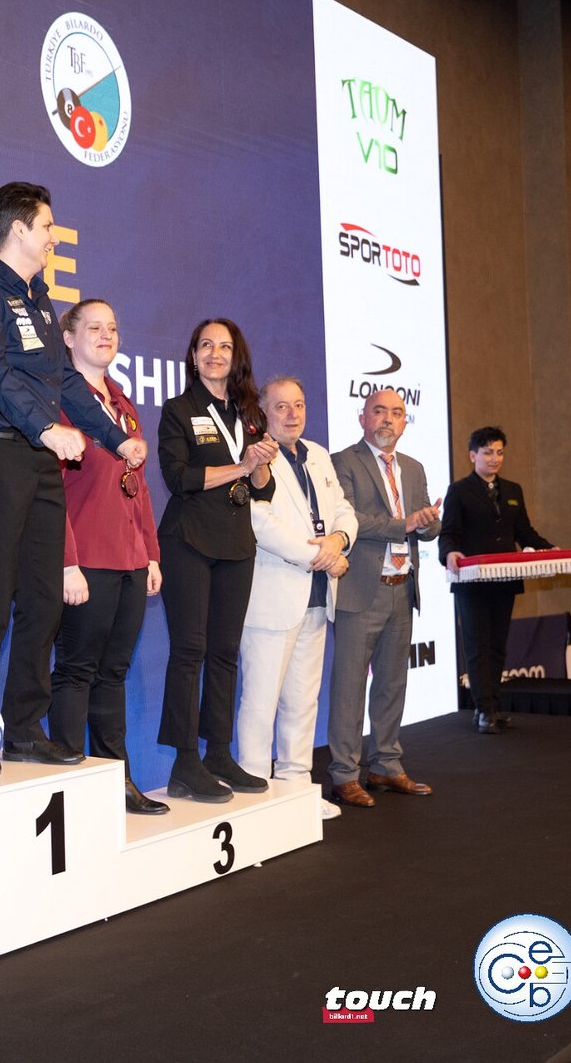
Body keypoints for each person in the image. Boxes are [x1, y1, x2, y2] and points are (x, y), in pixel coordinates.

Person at [0, 183, 148, 776]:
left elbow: (67, 387)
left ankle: (26, 729)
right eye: (48, 226)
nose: (55, 237)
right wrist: (44, 428)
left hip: (37, 460)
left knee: (41, 600)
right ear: (18, 231)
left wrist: (114, 436)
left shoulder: (39, 299)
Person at [46, 299, 167, 815]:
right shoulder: (57, 403)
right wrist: (66, 561)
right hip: (86, 559)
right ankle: (71, 791)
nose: (105, 335)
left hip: (130, 559)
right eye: (93, 327)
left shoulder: (123, 404)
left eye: (112, 328)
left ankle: (117, 781)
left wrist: (151, 554)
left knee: (112, 673)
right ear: (67, 338)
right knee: (76, 671)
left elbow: (137, 486)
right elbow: (50, 492)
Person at [155, 319, 277, 802]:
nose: (214, 353)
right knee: (190, 651)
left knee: (225, 652)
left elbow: (262, 488)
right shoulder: (179, 410)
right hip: (188, 540)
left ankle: (218, 753)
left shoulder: (249, 414)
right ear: (193, 356)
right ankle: (184, 762)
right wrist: (242, 465)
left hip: (236, 544)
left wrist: (259, 463)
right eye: (205, 345)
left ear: (236, 356)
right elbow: (178, 478)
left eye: (224, 346)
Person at [237, 377, 357, 821]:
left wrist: (339, 541)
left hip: (317, 596)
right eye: (282, 406)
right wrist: (320, 556)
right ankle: (254, 792)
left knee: (303, 701)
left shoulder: (319, 455)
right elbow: (259, 522)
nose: (293, 414)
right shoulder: (254, 455)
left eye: (299, 405)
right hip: (272, 597)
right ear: (263, 411)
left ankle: (296, 788)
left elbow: (343, 511)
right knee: (261, 701)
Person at [326, 389, 441, 809]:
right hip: (361, 591)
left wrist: (428, 522)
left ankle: (386, 765)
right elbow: (349, 520)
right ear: (363, 418)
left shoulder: (413, 467)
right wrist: (404, 524)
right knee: (350, 688)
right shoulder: (343, 462)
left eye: (396, 412)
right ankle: (344, 773)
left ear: (405, 422)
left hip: (402, 588)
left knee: (392, 684)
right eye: (379, 411)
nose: (388, 419)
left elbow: (426, 527)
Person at [437, 426, 553, 734]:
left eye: (500, 452)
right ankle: (483, 709)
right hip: (472, 582)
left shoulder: (513, 490)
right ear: (472, 455)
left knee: (498, 645)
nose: (495, 458)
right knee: (478, 646)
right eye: (488, 452)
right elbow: (449, 533)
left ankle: (493, 706)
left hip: (505, 580)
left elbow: (524, 532)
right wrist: (449, 553)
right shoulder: (459, 490)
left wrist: (551, 549)